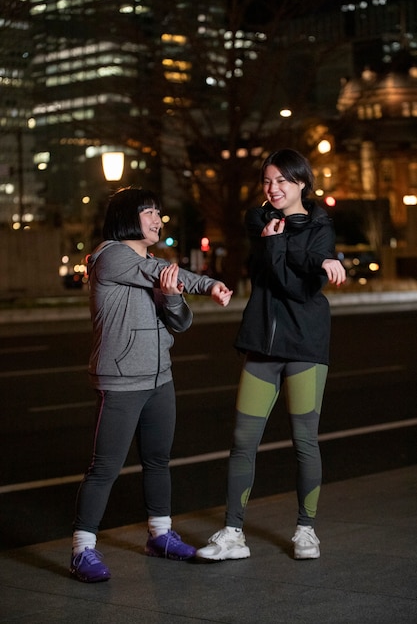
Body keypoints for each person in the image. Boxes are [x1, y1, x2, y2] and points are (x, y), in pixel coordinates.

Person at [70, 187, 232, 583]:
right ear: (128, 216)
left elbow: (180, 321)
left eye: (159, 212)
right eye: (148, 212)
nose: (157, 219)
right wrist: (209, 285)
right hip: (121, 380)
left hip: (160, 378)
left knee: (158, 460)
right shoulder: (111, 256)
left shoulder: (152, 265)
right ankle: (81, 550)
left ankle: (160, 535)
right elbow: (162, 275)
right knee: (104, 467)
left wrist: (173, 297)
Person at [196, 148, 346, 562]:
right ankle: (232, 533)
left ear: (302, 183)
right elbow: (278, 274)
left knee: (304, 441)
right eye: (267, 180)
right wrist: (311, 257)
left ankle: (306, 530)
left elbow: (300, 290)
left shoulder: (322, 227)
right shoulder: (257, 219)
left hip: (305, 346)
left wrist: (313, 255)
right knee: (243, 440)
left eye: (282, 180)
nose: (273, 188)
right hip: (262, 343)